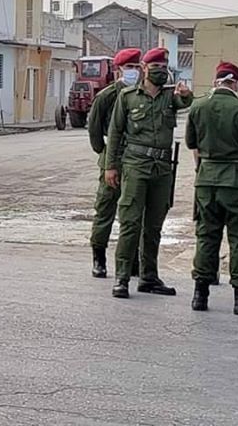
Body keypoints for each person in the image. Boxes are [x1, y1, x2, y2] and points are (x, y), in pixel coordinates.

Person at [105, 47, 193, 299]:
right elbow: (115, 132)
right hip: (135, 166)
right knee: (131, 223)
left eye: (164, 69)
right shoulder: (128, 96)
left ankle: (149, 276)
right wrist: (111, 166)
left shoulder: (169, 97)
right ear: (145, 69)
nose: (161, 73)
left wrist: (186, 94)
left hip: (162, 168)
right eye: (156, 69)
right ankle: (122, 277)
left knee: (154, 226)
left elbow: (185, 102)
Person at [185, 61, 238, 316]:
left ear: (216, 82)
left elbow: (190, 141)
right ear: (236, 83)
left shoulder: (198, 106)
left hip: (206, 179)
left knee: (207, 235)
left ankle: (200, 295)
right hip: (236, 180)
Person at [87, 48, 142, 279]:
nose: (134, 72)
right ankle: (99, 259)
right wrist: (105, 154)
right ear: (119, 70)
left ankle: (133, 261)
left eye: (137, 68)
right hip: (113, 158)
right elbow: (95, 128)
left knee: (134, 212)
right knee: (105, 210)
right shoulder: (108, 95)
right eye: (129, 68)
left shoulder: (141, 94)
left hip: (135, 160)